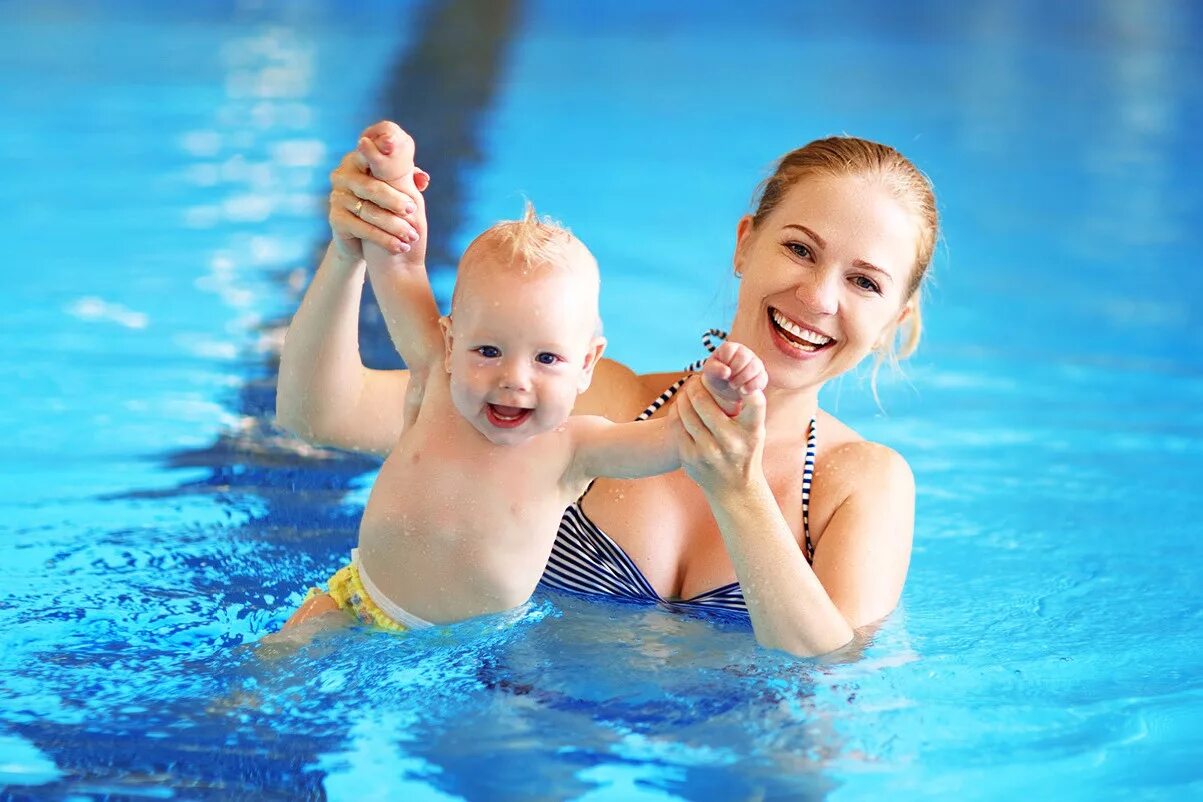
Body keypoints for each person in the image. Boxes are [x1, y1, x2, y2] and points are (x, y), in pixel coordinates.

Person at [277, 120, 937, 656]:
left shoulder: (861, 484)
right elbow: (322, 416)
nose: (818, 296)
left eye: (864, 282)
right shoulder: (577, 400)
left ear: (893, 323)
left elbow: (831, 691)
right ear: (745, 245)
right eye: (799, 249)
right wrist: (347, 251)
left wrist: (735, 491)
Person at [278, 127, 768, 632]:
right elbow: (400, 261)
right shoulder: (437, 382)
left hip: (468, 654)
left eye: (547, 359)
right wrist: (392, 173)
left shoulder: (575, 448)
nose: (513, 379)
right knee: (272, 671)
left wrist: (722, 396)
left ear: (587, 364)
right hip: (356, 603)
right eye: (488, 351)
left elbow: (672, 441)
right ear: (450, 344)